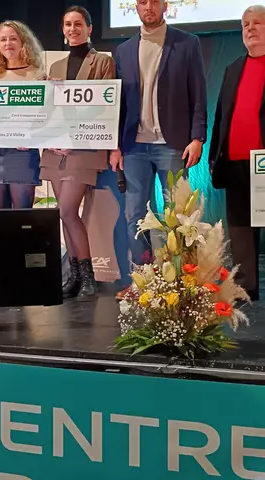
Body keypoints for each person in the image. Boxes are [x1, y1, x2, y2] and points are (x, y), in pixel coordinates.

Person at [209, 5, 265, 308]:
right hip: (235, 161)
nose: (250, 28)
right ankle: (245, 286)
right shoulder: (233, 67)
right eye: (245, 24)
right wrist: (214, 157)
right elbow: (222, 115)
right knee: (240, 229)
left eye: (257, 23)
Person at [111, 0, 207, 281]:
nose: (149, 6)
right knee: (134, 218)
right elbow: (118, 105)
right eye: (143, 2)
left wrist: (198, 137)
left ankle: (176, 279)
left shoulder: (187, 44)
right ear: (136, 8)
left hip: (173, 142)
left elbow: (198, 94)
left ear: (165, 5)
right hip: (133, 146)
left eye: (154, 1)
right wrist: (115, 145)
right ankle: (146, 279)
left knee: (176, 217)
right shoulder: (124, 50)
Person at [42, 6, 115, 301]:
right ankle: (74, 277)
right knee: (65, 215)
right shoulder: (56, 68)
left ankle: (88, 277)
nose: (72, 29)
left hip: (84, 146)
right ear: (62, 30)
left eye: (78, 24)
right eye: (68, 24)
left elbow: (104, 105)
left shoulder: (102, 62)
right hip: (57, 149)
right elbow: (49, 109)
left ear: (89, 29)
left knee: (67, 211)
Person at [0, 21, 45, 209]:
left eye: (13, 38)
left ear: (23, 42)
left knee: (22, 218)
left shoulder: (37, 75)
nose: (8, 43)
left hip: (22, 153)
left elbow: (43, 119)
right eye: (3, 39)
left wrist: (31, 138)